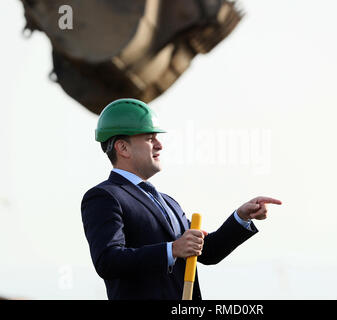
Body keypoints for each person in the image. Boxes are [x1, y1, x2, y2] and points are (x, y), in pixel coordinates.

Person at [81, 98, 282, 300]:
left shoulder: (168, 202)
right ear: (123, 148)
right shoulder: (104, 197)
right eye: (150, 138)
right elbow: (108, 261)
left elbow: (207, 252)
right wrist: (173, 249)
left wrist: (241, 217)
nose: (159, 145)